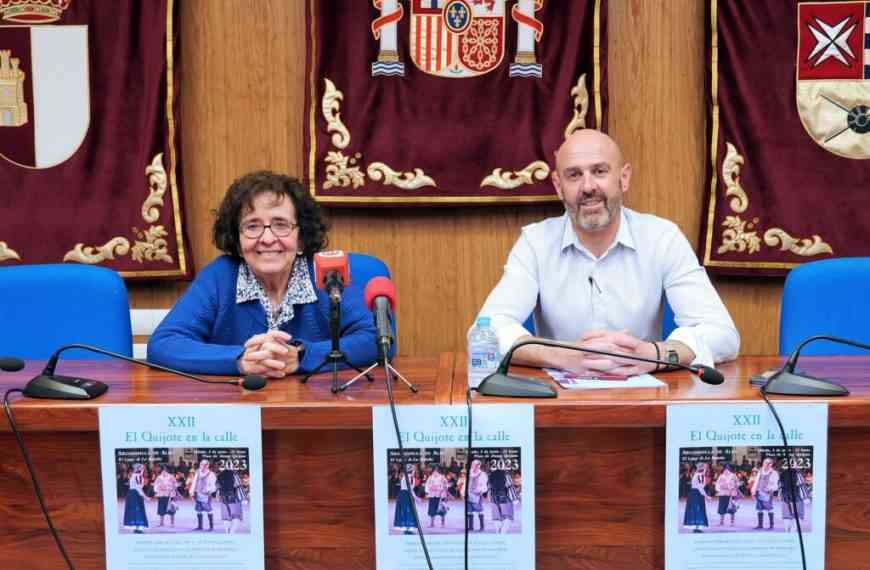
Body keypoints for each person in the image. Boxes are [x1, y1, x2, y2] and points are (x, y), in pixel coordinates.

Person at [474, 129, 739, 377]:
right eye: (574, 175)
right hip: (560, 405)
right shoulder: (535, 243)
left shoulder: (662, 238)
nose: (588, 187)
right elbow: (485, 330)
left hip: (645, 402)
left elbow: (723, 335)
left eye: (599, 171)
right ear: (558, 185)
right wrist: (564, 356)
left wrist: (653, 355)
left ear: (623, 178)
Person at [148, 171, 386, 376]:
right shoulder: (220, 277)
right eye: (252, 226)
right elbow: (163, 344)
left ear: (301, 237)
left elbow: (377, 341)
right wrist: (240, 359)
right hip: (238, 411)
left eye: (281, 224)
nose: (268, 238)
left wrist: (302, 356)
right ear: (238, 242)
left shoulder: (327, 274)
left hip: (319, 410)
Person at [751, 457, 780, 530]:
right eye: (764, 463)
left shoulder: (774, 473)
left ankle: (771, 525)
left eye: (767, 463)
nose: (765, 464)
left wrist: (770, 488)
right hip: (759, 492)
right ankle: (760, 525)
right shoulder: (760, 471)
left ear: (771, 464)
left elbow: (776, 484)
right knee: (759, 509)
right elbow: (756, 482)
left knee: (769, 508)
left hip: (767, 493)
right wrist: (753, 491)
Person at [216, 464, 246, 534]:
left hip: (223, 499)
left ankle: (227, 532)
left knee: (226, 517)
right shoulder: (234, 474)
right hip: (234, 498)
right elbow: (238, 485)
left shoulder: (219, 475)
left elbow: (217, 486)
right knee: (236, 516)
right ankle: (232, 533)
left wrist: (218, 496)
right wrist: (243, 497)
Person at [190, 459, 217, 531]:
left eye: (205, 465)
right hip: (198, 493)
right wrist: (192, 492)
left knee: (209, 510)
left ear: (208, 465)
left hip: (206, 495)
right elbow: (194, 483)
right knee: (199, 510)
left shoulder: (211, 474)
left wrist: (209, 490)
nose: (203, 466)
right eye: (202, 464)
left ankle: (211, 527)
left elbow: (214, 485)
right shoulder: (198, 473)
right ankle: (200, 526)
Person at [683, 463, 710, 533]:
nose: (706, 469)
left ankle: (696, 526)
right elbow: (700, 487)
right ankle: (697, 527)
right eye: (704, 468)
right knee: (698, 509)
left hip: (696, 494)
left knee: (697, 509)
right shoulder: (698, 476)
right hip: (696, 494)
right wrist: (706, 496)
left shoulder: (699, 475)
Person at [122, 463, 149, 534]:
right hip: (134, 495)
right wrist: (145, 497)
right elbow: (138, 488)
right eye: (142, 468)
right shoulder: (136, 476)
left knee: (137, 510)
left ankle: (137, 527)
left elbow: (140, 487)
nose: (143, 469)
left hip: (134, 494)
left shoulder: (139, 476)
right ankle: (138, 527)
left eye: (143, 468)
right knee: (137, 510)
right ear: (138, 469)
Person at [465, 459, 489, 532]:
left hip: (477, 494)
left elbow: (484, 485)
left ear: (479, 466)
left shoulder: (482, 474)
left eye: (475, 465)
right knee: (469, 511)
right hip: (469, 494)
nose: (473, 466)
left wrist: (480, 491)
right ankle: (470, 527)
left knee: (479, 510)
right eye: (472, 465)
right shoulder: (469, 473)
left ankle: (482, 527)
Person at [393, 464, 418, 534]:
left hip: (402, 494)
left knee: (405, 511)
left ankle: (406, 527)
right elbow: (410, 489)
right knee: (409, 511)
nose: (414, 471)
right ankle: (408, 528)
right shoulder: (410, 478)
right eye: (413, 470)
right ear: (412, 470)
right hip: (406, 495)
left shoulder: (406, 477)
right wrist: (416, 498)